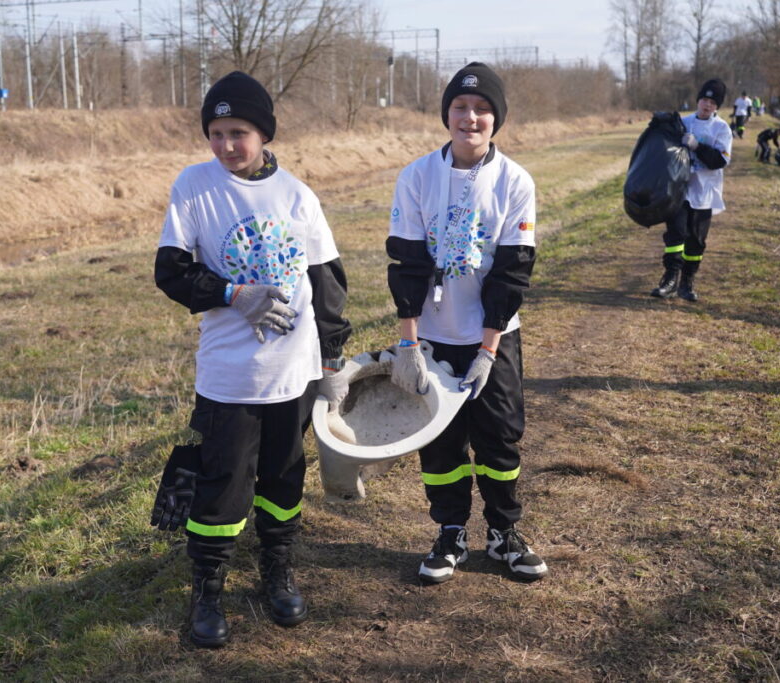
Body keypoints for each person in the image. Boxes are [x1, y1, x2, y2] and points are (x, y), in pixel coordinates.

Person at [154, 71, 352, 648]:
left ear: (263, 132)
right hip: (229, 374)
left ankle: (277, 571)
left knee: (284, 477)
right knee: (221, 485)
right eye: (215, 133)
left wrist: (332, 361)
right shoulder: (194, 187)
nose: (225, 146)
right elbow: (170, 270)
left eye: (238, 132)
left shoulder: (296, 195)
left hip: (293, 373)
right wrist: (232, 294)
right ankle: (208, 588)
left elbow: (328, 283)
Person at [385, 62, 547, 584]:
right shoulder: (416, 177)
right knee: (441, 442)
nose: (470, 117)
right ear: (447, 114)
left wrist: (487, 350)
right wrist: (410, 345)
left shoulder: (515, 181)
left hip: (492, 338)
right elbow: (407, 263)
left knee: (499, 439)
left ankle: (503, 533)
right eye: (461, 107)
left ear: (495, 118)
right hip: (432, 338)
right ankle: (451, 531)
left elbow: (512, 271)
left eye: (482, 109)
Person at [651, 78, 733, 302]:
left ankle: (687, 282)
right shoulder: (685, 122)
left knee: (696, 241)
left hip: (705, 192)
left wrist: (697, 146)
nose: (707, 105)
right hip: (680, 189)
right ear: (698, 100)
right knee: (676, 233)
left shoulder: (722, 129)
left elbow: (720, 161)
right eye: (704, 100)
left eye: (712, 102)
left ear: (717, 107)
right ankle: (669, 279)